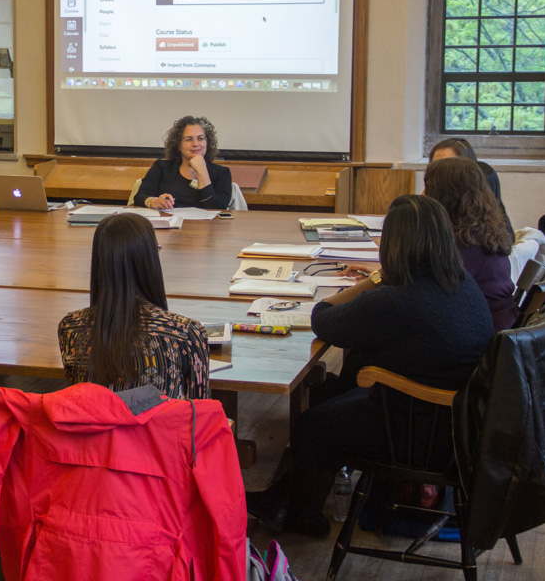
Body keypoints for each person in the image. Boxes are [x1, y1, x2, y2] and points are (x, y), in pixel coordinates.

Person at [247, 195, 495, 537]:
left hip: (420, 431)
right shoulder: (460, 281)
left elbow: (323, 318)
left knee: (313, 424)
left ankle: (303, 517)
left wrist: (377, 279)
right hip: (463, 421)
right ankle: (283, 500)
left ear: (394, 243)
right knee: (326, 390)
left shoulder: (395, 299)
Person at [57, 213, 210, 399]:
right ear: (149, 259)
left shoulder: (70, 327)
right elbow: (200, 412)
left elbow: (80, 397)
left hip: (96, 428)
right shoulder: (186, 333)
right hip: (161, 428)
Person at [424, 156, 520, 331]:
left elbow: (429, 295)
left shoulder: (464, 244)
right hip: (492, 323)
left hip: (482, 333)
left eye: (428, 187)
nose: (422, 194)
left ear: (446, 195)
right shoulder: (482, 230)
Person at [135, 115, 233, 210]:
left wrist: (202, 171)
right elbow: (140, 197)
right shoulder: (161, 167)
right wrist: (153, 201)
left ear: (207, 142)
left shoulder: (222, 173)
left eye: (200, 138)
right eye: (189, 139)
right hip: (170, 224)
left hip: (205, 226)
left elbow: (218, 208)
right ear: (178, 145)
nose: (195, 144)